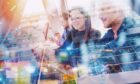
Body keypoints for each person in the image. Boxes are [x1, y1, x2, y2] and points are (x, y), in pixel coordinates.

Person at [96, 0, 140, 73]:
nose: (99, 16)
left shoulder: (133, 29)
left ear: (119, 10)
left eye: (104, 9)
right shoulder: (109, 35)